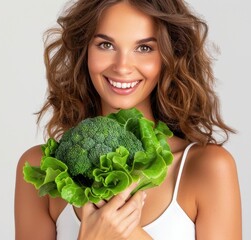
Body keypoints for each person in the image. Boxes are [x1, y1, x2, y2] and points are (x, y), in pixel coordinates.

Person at [14, 0, 242, 239]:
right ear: (84, 51)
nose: (122, 67)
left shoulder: (207, 168)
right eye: (105, 45)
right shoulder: (43, 169)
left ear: (168, 56)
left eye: (144, 48)